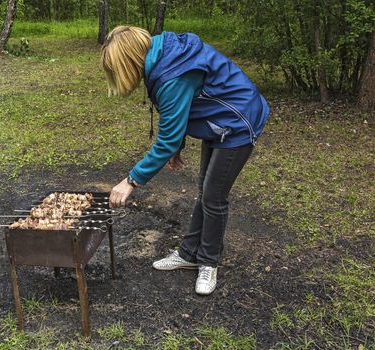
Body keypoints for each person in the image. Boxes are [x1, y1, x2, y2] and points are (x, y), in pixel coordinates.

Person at [101, 26, 270, 295]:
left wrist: (130, 181)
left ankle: (209, 262)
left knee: (214, 196)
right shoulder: (161, 53)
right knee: (205, 191)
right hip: (218, 123)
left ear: (130, 61)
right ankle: (189, 254)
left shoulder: (172, 76)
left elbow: (167, 135)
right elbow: (181, 112)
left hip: (238, 122)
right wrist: (177, 148)